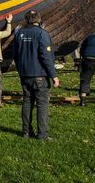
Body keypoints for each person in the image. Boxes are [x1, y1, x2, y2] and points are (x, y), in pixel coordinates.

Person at [13, 10, 60, 141]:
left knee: (27, 103)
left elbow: (15, 55)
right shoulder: (42, 33)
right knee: (42, 104)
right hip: (39, 75)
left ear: (26, 19)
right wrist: (54, 76)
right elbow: (46, 57)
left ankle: (26, 132)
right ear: (38, 19)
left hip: (24, 74)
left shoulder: (19, 34)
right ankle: (42, 135)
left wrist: (20, 70)